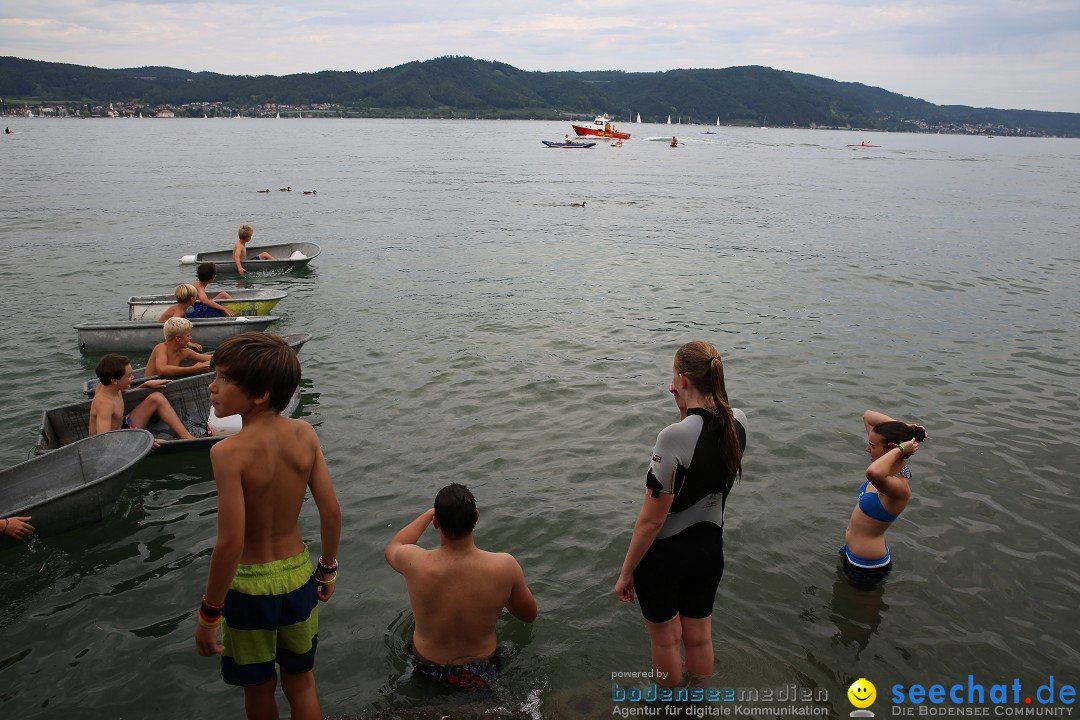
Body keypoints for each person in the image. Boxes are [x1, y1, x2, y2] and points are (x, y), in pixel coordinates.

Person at [195, 333, 341, 720]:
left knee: (259, 688)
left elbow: (229, 544)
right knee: (301, 681)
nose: (212, 386)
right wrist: (327, 570)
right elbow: (331, 512)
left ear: (259, 394)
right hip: (298, 580)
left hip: (248, 588)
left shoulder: (227, 453)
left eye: (224, 379)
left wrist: (209, 615)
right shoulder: (305, 434)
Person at [615, 341, 746, 687]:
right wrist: (685, 411)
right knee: (700, 637)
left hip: (665, 556)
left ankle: (670, 706)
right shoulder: (740, 423)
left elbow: (652, 519)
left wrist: (626, 572)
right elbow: (703, 456)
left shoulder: (672, 436)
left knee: (666, 640)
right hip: (709, 551)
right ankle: (698, 699)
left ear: (682, 379)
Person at [384, 483, 537, 690]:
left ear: (436, 522)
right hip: (482, 669)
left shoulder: (414, 561)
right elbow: (528, 615)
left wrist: (430, 513)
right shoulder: (505, 566)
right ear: (476, 517)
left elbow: (393, 546)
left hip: (426, 667)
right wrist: (504, 595)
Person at [840, 410, 927, 588]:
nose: (867, 449)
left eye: (872, 445)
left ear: (891, 449)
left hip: (868, 564)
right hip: (852, 551)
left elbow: (872, 473)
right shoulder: (885, 470)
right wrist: (905, 429)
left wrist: (901, 448)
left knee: (864, 613)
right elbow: (868, 416)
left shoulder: (898, 487)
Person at [89, 354, 194, 439]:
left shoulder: (110, 386)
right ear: (114, 380)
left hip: (122, 428)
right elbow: (103, 442)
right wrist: (142, 443)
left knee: (156, 398)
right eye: (129, 376)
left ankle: (187, 437)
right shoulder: (104, 404)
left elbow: (126, 390)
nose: (133, 377)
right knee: (160, 442)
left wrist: (145, 385)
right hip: (115, 442)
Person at [146, 317, 212, 377]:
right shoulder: (161, 348)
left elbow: (211, 358)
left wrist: (221, 353)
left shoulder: (185, 352)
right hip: (151, 388)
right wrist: (193, 369)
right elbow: (162, 370)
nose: (190, 338)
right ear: (177, 338)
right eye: (188, 336)